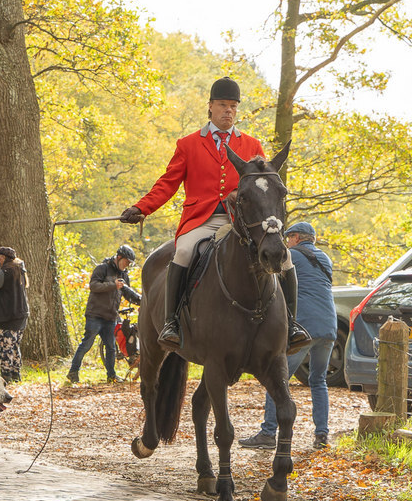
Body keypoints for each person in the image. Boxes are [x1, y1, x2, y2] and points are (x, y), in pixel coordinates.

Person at [120, 76, 309, 352]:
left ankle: (292, 325)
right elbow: (167, 183)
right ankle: (171, 322)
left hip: (242, 223)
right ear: (210, 107)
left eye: (233, 106)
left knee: (286, 257)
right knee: (183, 252)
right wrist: (141, 207)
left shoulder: (252, 145)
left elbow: (262, 187)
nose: (228, 111)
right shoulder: (188, 144)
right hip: (202, 220)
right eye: (223, 105)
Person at [240, 222, 334, 450]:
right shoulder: (325, 258)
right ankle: (321, 434)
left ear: (296, 238)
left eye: (288, 237)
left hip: (304, 326)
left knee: (277, 380)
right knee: (318, 380)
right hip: (329, 326)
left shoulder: (290, 256)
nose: (286, 241)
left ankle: (268, 433)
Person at [67, 245, 141, 384]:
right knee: (86, 344)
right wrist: (113, 285)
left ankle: (111, 376)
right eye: (126, 262)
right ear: (119, 257)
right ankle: (73, 372)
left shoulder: (124, 275)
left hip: (111, 316)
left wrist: (142, 301)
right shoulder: (102, 268)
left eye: (129, 264)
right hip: (95, 315)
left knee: (111, 347)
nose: (127, 266)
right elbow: (94, 286)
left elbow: (127, 294)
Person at [0, 247, 30, 382]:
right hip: (19, 315)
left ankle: (6, 376)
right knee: (14, 346)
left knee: (4, 346)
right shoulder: (18, 269)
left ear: (2, 258)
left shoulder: (7, 270)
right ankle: (16, 374)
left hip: (6, 316)